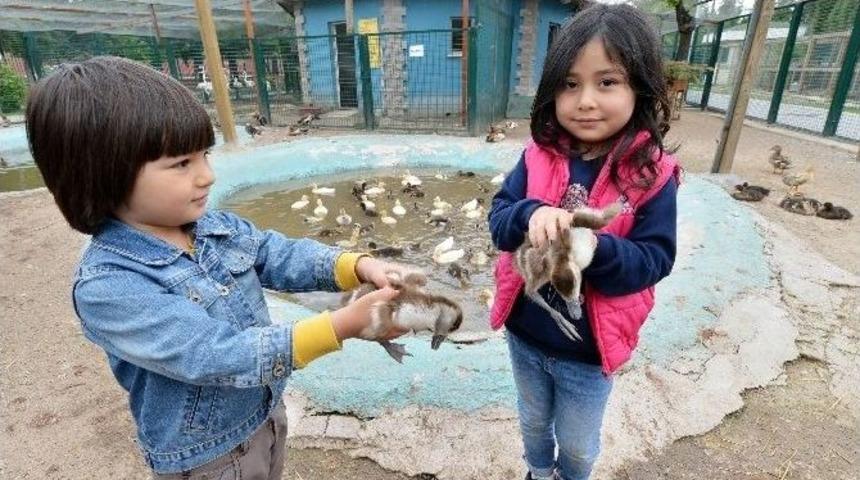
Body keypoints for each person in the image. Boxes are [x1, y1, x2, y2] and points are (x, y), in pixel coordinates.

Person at [26, 56, 409, 479]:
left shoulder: (210, 226)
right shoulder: (110, 287)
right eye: (181, 163)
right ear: (102, 173)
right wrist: (339, 325)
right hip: (205, 456)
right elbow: (216, 355)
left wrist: (354, 265)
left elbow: (270, 252)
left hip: (263, 412)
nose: (207, 176)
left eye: (204, 155)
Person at [487, 4, 681, 480]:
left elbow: (655, 260)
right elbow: (499, 220)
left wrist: (591, 248)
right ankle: (537, 471)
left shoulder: (652, 177)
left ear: (641, 87)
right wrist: (530, 214)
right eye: (570, 84)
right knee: (532, 420)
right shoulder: (537, 157)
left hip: (590, 354)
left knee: (576, 444)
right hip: (525, 335)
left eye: (607, 82)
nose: (585, 100)